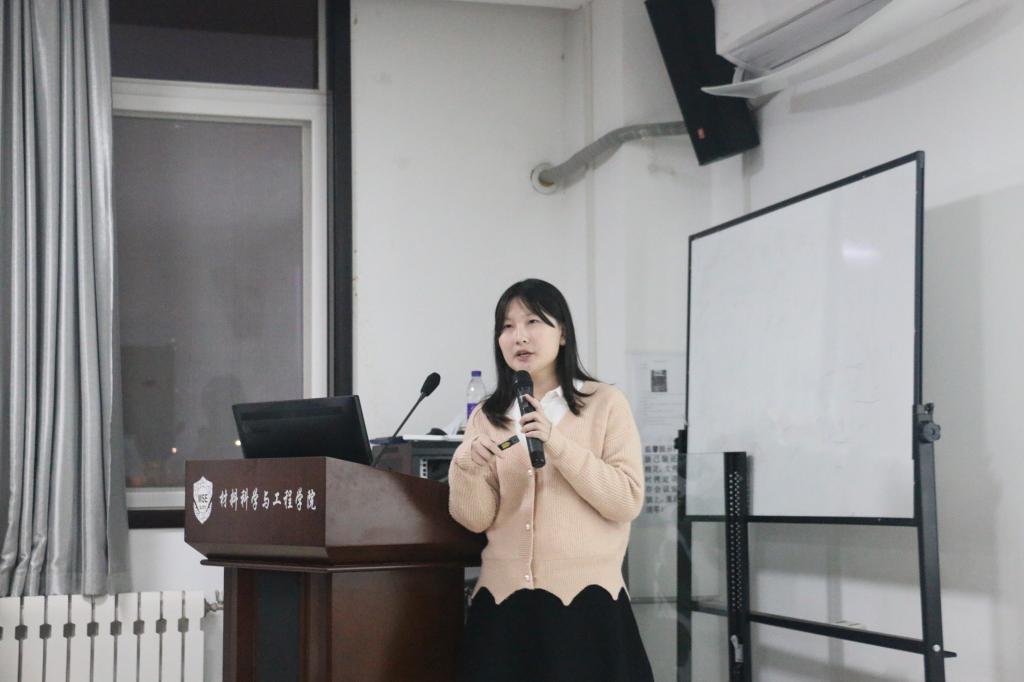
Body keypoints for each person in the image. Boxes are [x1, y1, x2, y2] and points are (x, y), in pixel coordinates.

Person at [448, 278, 654, 682]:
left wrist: (556, 443)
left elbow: (626, 500)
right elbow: (475, 519)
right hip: (503, 606)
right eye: (507, 327)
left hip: (587, 606)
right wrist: (466, 467)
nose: (519, 337)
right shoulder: (487, 415)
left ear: (562, 333)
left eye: (533, 322)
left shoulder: (604, 403)